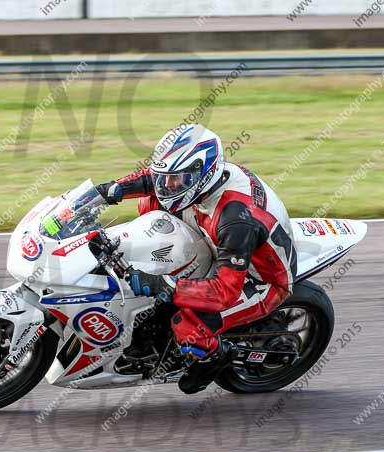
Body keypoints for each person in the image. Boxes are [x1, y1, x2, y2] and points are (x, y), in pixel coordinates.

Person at [96, 124, 297, 394]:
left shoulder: (235, 220)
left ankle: (215, 355)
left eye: (176, 179)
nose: (168, 185)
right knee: (151, 204)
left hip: (259, 278)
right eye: (166, 177)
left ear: (202, 174)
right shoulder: (199, 180)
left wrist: (163, 285)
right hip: (218, 243)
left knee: (188, 324)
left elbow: (223, 292)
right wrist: (111, 190)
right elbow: (155, 180)